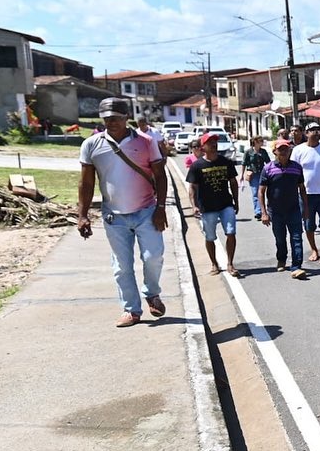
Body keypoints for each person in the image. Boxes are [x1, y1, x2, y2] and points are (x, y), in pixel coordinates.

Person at [77, 97, 168, 327]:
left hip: (147, 210)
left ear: (126, 118)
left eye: (116, 118)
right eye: (107, 119)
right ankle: (131, 310)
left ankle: (152, 293)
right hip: (113, 216)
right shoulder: (91, 145)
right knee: (122, 266)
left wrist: (161, 207)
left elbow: (160, 175)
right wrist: (82, 214)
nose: (111, 123)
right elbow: (86, 183)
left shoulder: (146, 142)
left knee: (153, 257)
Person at [187, 132, 241, 278]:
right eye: (210, 142)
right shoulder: (197, 166)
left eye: (215, 142)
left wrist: (236, 201)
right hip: (207, 207)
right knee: (210, 237)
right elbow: (192, 187)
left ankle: (230, 263)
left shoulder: (226, 162)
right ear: (203, 146)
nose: (213, 144)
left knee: (231, 233)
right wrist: (194, 205)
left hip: (225, 204)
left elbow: (233, 182)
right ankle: (214, 263)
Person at [259, 139, 310, 279]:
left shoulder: (297, 167)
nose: (284, 152)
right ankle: (281, 259)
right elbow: (261, 191)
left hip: (293, 209)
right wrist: (263, 212)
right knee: (280, 239)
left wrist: (306, 208)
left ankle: (296, 266)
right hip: (276, 212)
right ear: (274, 151)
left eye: (286, 149)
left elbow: (302, 188)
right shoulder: (268, 168)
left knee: (297, 237)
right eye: (280, 149)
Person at [291, 122, 320, 266]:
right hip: (305, 196)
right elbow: (294, 172)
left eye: (319, 130)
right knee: (309, 225)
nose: (316, 133)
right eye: (313, 130)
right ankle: (314, 250)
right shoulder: (298, 150)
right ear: (306, 133)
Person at [241, 136, 270, 221]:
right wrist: (242, 175)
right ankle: (258, 212)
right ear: (256, 142)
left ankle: (263, 209)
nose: (262, 142)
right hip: (253, 175)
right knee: (255, 192)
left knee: (262, 192)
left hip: (262, 174)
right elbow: (244, 163)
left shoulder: (263, 151)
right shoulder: (248, 152)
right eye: (261, 141)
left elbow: (268, 163)